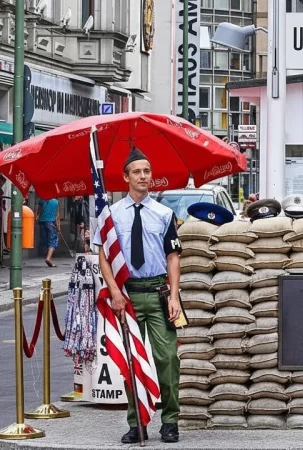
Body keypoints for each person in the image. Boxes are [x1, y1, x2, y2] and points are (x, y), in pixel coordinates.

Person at [94, 147, 183, 444]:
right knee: (131, 362)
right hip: (128, 295)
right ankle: (137, 423)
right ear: (125, 177)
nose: (143, 176)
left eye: (147, 171)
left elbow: (173, 256)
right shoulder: (111, 215)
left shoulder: (165, 213)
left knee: (167, 358)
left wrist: (174, 296)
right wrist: (115, 292)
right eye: (137, 172)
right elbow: (104, 256)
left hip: (158, 293)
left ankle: (170, 421)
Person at [36, 197, 60, 267]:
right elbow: (57, 215)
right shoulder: (56, 201)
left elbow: (38, 212)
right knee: (53, 240)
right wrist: (58, 226)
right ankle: (48, 258)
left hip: (42, 222)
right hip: (51, 222)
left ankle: (50, 258)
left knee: (46, 240)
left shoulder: (41, 200)